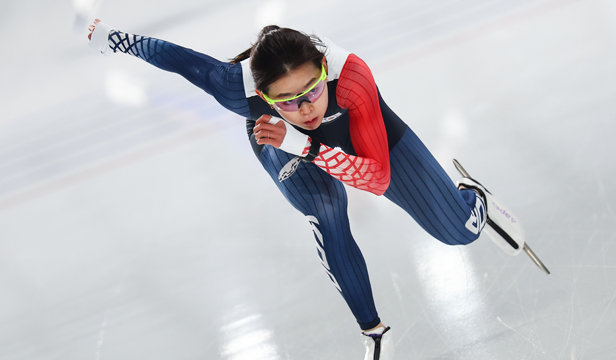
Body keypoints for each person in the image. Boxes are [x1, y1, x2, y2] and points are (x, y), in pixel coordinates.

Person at [87, 19, 495, 360]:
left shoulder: (351, 77)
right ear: (262, 96)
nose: (305, 108)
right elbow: (177, 59)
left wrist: (304, 141)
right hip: (279, 140)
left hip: (340, 132)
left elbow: (376, 179)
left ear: (323, 67)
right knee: (326, 207)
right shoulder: (236, 88)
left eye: (312, 90)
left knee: (459, 232)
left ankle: (470, 195)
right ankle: (373, 331)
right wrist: (109, 37)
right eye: (286, 100)